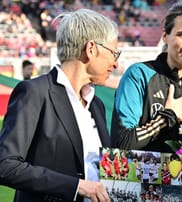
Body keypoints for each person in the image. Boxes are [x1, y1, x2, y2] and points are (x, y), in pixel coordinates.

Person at [0, 8, 121, 202]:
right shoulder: (34, 92)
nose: (115, 64)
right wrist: (76, 186)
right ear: (91, 49)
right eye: (114, 53)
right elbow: (6, 165)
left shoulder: (96, 104)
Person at [111, 0, 182, 152]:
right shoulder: (139, 75)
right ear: (165, 36)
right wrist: (167, 117)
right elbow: (122, 142)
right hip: (142, 176)